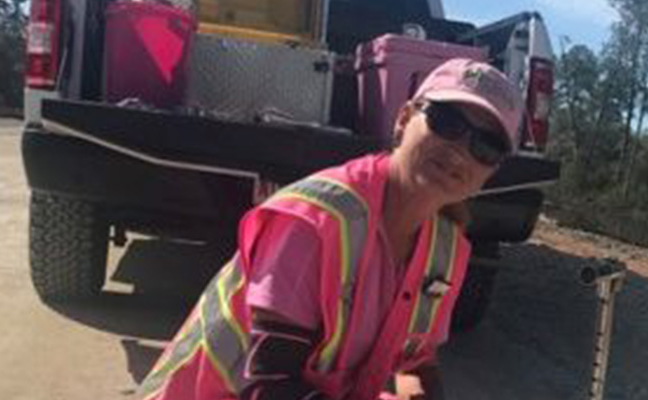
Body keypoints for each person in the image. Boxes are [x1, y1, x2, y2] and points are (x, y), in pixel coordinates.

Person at [136, 58, 524, 400]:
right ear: (404, 118)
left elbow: (415, 363)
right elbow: (268, 384)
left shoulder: (447, 249)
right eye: (447, 122)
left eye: (486, 146)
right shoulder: (314, 220)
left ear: (490, 174)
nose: (459, 150)